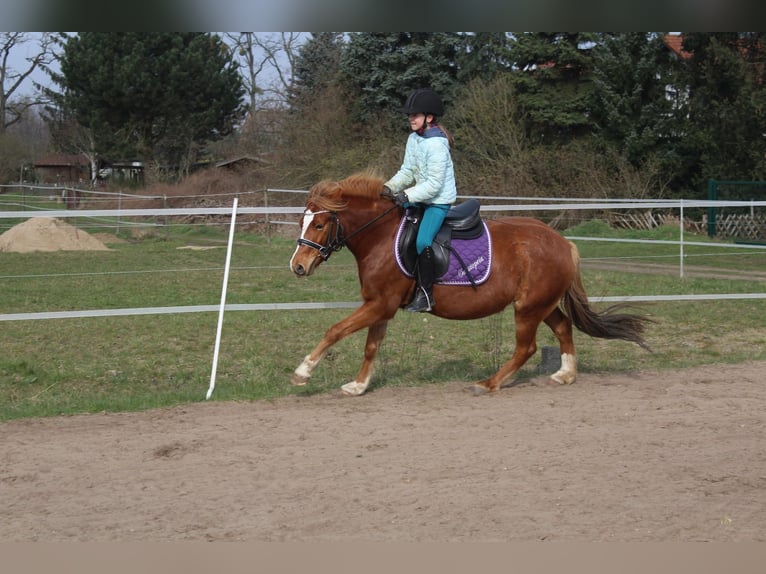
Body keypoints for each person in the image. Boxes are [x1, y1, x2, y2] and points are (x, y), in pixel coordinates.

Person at [383, 88, 457, 312]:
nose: (410, 118)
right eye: (409, 115)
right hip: (419, 198)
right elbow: (407, 171)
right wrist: (388, 187)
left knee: (423, 241)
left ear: (429, 117)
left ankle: (426, 295)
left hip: (437, 202)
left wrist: (407, 195)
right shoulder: (414, 139)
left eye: (414, 115)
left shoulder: (437, 145)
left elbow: (434, 184)